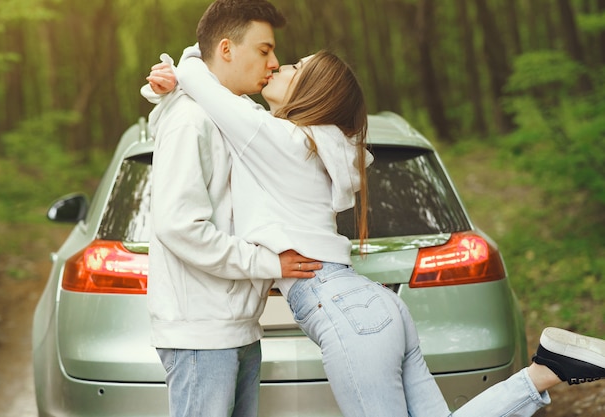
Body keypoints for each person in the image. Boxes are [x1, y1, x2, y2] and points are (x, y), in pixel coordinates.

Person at [146, 45, 605, 417]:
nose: (278, 65)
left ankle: (542, 374)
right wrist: (168, 88)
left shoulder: (283, 142)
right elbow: (215, 103)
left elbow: (212, 86)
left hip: (345, 311)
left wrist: (183, 66)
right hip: (372, 307)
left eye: (295, 66)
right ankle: (543, 372)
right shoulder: (313, 145)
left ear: (312, 92)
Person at [142, 1, 321, 417]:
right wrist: (269, 262)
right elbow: (179, 226)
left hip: (238, 329)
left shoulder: (233, 117)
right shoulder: (191, 120)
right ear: (226, 49)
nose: (274, 63)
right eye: (264, 50)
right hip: (202, 336)